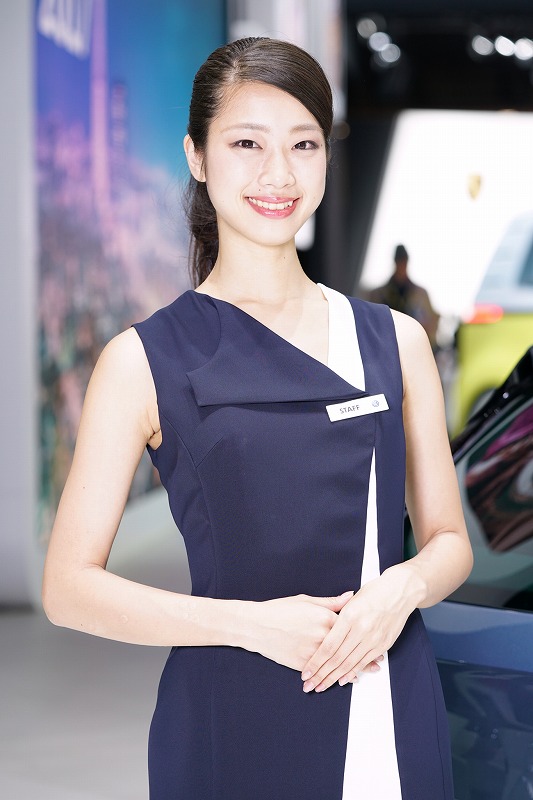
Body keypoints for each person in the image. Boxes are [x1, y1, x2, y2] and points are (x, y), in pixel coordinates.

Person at [42, 37, 472, 800]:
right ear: (197, 156)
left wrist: (399, 590)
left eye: (303, 144)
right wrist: (247, 624)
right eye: (246, 144)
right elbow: (68, 588)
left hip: (386, 697)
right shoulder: (143, 360)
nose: (278, 174)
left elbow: (449, 542)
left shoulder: (393, 341)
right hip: (230, 712)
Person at [367, 244, 440, 349]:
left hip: (412, 346)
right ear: (395, 262)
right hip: (387, 345)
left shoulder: (420, 294)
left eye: (403, 261)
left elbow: (431, 323)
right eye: (400, 261)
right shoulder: (379, 294)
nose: (402, 265)